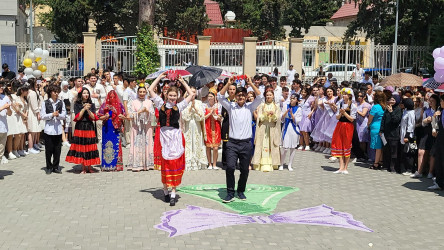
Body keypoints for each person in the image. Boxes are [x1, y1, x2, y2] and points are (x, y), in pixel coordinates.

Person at [148, 73, 194, 206]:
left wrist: (183, 81)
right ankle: (165, 189)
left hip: (175, 136)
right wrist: (159, 78)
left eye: (175, 95)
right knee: (165, 164)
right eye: (170, 95)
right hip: (164, 137)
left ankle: (173, 191)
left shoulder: (179, 106)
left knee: (174, 163)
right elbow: (151, 90)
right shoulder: (160, 104)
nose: (173, 97)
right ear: (167, 95)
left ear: (177, 96)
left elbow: (191, 95)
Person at [218, 76, 262, 202]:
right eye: (239, 95)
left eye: (243, 95)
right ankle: (230, 193)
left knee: (244, 170)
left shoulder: (250, 107)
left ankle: (241, 190)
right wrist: (228, 83)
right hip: (232, 143)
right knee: (230, 167)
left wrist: (251, 83)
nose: (241, 97)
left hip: (246, 144)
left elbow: (260, 97)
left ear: (246, 96)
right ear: (235, 96)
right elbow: (220, 97)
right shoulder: (231, 107)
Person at [65, 88, 101, 174]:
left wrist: (88, 109)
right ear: (81, 95)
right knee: (82, 147)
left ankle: (89, 166)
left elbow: (93, 117)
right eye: (84, 93)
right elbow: (77, 117)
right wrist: (83, 109)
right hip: (80, 126)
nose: (86, 95)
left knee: (89, 146)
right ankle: (83, 167)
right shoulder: (77, 104)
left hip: (89, 126)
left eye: (87, 93)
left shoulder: (91, 104)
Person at [252, 89, 281, 172]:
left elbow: (278, 119)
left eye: (270, 95)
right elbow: (259, 118)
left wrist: (273, 115)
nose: (268, 97)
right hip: (263, 128)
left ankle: (273, 163)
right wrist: (265, 115)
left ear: (273, 96)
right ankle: (260, 163)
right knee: (261, 144)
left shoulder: (276, 106)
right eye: (267, 95)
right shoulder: (261, 106)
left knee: (272, 145)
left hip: (272, 128)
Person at [127, 85, 155, 172]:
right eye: (140, 92)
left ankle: (148, 164)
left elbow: (153, 114)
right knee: (136, 144)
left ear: (146, 93)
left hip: (147, 126)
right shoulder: (133, 102)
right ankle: (137, 164)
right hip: (137, 126)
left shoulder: (149, 102)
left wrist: (147, 111)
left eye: (143, 92)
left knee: (147, 143)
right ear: (137, 93)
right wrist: (138, 112)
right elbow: (130, 115)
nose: (142, 94)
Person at [40, 85, 66, 175]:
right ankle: (48, 166)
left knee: (57, 150)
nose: (57, 93)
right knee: (49, 150)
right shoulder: (45, 103)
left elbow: (64, 115)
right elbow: (42, 116)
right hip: (49, 129)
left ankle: (56, 166)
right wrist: (52, 114)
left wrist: (58, 115)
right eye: (55, 92)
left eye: (58, 92)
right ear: (50, 93)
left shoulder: (61, 102)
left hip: (58, 129)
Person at [98, 90, 127, 171]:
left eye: (113, 97)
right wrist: (105, 116)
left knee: (116, 145)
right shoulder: (104, 106)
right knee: (107, 145)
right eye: (110, 97)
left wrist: (122, 117)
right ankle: (107, 165)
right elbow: (99, 117)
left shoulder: (120, 105)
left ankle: (117, 165)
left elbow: (125, 116)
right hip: (107, 128)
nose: (112, 98)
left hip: (116, 128)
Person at [331, 88, 357, 174]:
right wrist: (341, 113)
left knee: (346, 145)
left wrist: (344, 113)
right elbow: (337, 117)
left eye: (345, 94)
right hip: (340, 125)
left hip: (348, 127)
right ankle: (341, 167)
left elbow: (352, 119)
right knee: (339, 145)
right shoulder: (340, 103)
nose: (343, 95)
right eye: (343, 94)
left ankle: (346, 167)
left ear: (349, 95)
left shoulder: (353, 106)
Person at [181, 86, 207, 171]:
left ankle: (198, 161)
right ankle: (188, 162)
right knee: (188, 143)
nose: (192, 94)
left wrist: (195, 109)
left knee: (197, 142)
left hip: (196, 126)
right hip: (188, 126)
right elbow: (184, 117)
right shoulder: (184, 103)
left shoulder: (199, 103)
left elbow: (202, 117)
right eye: (191, 92)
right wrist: (189, 108)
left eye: (194, 92)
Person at [380, 95, 402, 172]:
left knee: (393, 152)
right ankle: (386, 166)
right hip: (386, 133)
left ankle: (393, 167)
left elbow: (396, 120)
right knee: (386, 150)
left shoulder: (398, 109)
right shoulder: (387, 109)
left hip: (394, 134)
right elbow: (383, 120)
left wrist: (391, 112)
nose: (391, 101)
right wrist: (381, 130)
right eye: (390, 100)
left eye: (393, 100)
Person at [280, 93, 302, 171]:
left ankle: (290, 164)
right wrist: (286, 113)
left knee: (293, 147)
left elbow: (298, 120)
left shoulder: (299, 109)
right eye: (291, 98)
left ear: (297, 100)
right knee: (285, 147)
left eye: (293, 98)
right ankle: (281, 163)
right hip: (286, 127)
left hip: (293, 128)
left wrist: (292, 115)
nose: (292, 100)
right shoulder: (286, 106)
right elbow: (281, 117)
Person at [427, 95, 444, 190]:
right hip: (440, 137)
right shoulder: (441, 112)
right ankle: (439, 182)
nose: (440, 102)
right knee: (439, 159)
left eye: (442, 101)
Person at [204, 89, 222, 170]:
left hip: (216, 127)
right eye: (209, 96)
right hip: (207, 127)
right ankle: (209, 163)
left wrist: (215, 115)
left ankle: (214, 163)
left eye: (211, 96)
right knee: (208, 147)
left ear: (215, 97)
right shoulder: (205, 105)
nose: (210, 98)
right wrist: (210, 113)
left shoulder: (218, 105)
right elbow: (203, 118)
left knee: (215, 147)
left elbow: (221, 118)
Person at [368, 91, 386, 169]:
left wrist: (368, 124)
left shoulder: (375, 107)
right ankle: (381, 161)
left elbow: (370, 119)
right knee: (380, 146)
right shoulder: (384, 106)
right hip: (382, 127)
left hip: (375, 127)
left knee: (377, 146)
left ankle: (376, 163)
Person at [221, 83, 237, 169]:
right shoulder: (225, 100)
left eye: (233, 89)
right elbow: (223, 114)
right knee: (226, 144)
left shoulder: (238, 100)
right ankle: (225, 162)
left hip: (235, 125)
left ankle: (234, 162)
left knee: (235, 144)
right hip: (227, 124)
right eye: (230, 89)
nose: (232, 91)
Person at [399, 98, 416, 175]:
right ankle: (406, 168)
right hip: (404, 134)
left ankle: (410, 169)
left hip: (410, 136)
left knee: (410, 152)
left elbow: (411, 125)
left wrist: (407, 136)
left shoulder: (411, 113)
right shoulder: (406, 111)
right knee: (405, 152)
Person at [26, 79, 43, 154]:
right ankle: (30, 147)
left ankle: (32, 145)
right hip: (32, 113)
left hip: (32, 112)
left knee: (33, 131)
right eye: (36, 83)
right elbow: (34, 105)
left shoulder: (31, 92)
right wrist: (38, 113)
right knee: (32, 131)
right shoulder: (32, 93)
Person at [0, 81, 12, 164]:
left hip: (3, 127)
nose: (1, 88)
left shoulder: (5, 98)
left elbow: (10, 114)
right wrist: (3, 107)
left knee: (1, 151)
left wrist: (8, 109)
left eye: (2, 86)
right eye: (0, 86)